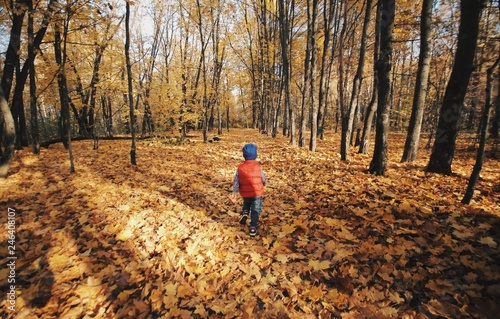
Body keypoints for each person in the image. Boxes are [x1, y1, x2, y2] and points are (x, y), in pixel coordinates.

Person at [232, 143, 266, 237]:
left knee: (246, 202)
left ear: (244, 155)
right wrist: (263, 184)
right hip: (257, 193)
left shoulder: (240, 167)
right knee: (256, 209)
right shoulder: (258, 166)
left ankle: (245, 212)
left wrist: (235, 191)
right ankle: (253, 227)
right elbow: (263, 178)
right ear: (255, 155)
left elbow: (236, 180)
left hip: (245, 192)